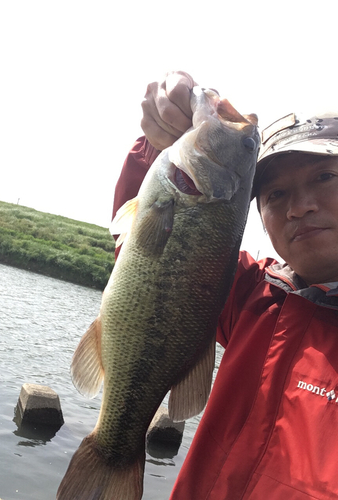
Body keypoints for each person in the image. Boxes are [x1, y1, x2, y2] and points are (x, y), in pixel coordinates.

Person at [112, 71, 338, 499]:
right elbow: (144, 247)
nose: (298, 208)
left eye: (325, 177)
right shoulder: (255, 296)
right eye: (274, 195)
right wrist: (158, 144)